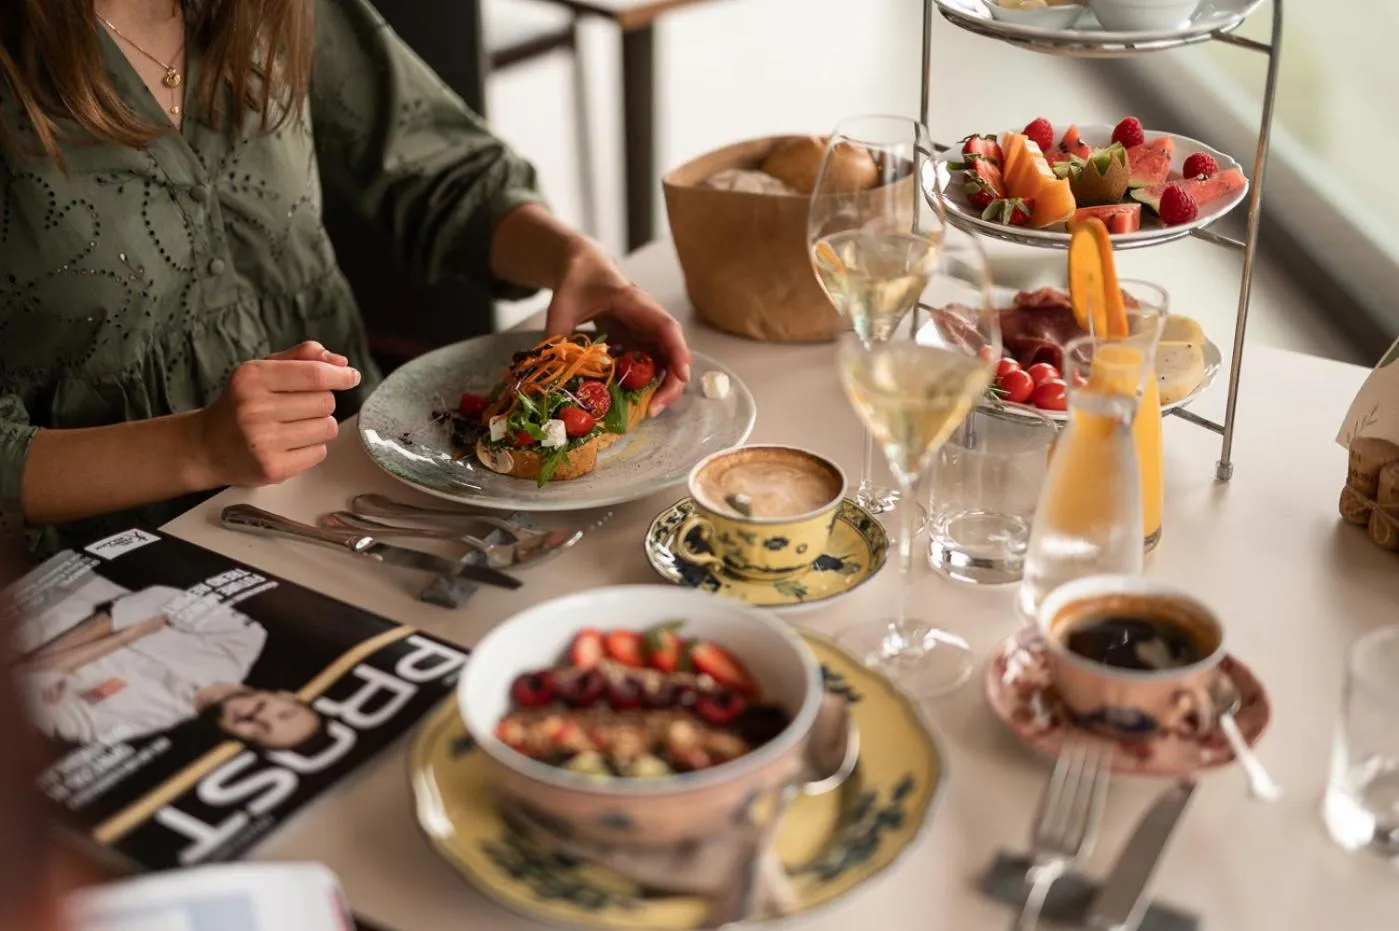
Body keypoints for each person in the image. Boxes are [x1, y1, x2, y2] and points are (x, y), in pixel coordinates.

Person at [0, 0, 692, 555]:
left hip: (362, 498)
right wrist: (196, 447)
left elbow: (444, 173)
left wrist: (571, 259)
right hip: (109, 562)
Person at [17, 584, 270, 745]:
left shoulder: (138, 729)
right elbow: (161, 598)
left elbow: (25, 688)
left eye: (262, 731)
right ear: (284, 697)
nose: (257, 717)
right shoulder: (244, 641)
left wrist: (126, 636)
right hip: (64, 586)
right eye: (282, 714)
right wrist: (55, 664)